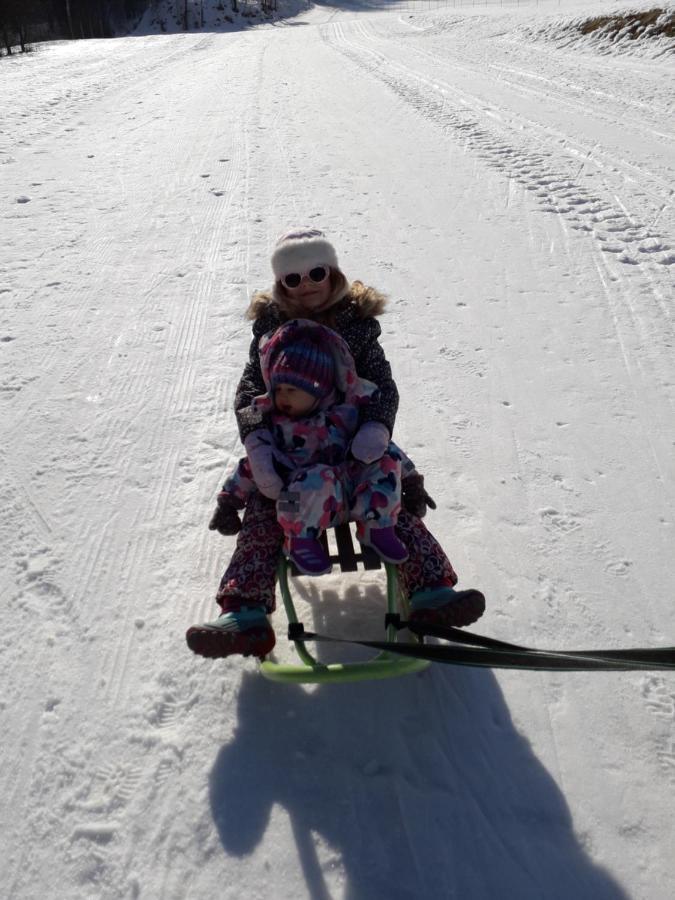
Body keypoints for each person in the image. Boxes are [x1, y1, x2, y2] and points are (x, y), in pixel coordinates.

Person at [186, 228, 485, 660]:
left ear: (333, 273)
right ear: (279, 284)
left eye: (316, 272)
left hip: (352, 453)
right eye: (292, 278)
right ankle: (245, 615)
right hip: (293, 463)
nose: (305, 284)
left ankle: (432, 595)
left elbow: (381, 385)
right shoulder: (271, 328)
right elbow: (250, 389)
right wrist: (257, 445)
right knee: (263, 519)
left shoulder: (356, 325)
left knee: (391, 504)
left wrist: (376, 432)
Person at [216, 317, 415, 576]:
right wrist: (229, 502)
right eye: (278, 389)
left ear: (319, 389)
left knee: (383, 458)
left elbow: (389, 450)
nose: (282, 397)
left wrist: (411, 480)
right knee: (316, 478)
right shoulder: (276, 426)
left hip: (352, 498)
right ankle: (299, 542)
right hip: (298, 506)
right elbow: (251, 466)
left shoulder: (347, 413)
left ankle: (377, 527)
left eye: (293, 389)